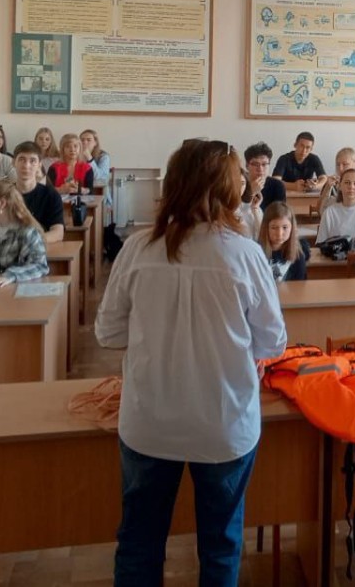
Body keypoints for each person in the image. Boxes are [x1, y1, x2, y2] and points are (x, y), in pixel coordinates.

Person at [95, 139, 286, 587]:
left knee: (139, 542)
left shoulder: (138, 247)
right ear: (227, 189)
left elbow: (108, 333)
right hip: (224, 423)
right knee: (220, 545)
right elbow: (272, 340)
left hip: (150, 420)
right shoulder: (244, 253)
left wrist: (158, 337)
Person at [13, 142, 66, 243]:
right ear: (13, 162)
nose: (26, 165)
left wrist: (29, 242)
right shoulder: (4, 194)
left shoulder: (51, 195)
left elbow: (58, 233)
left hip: (39, 247)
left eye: (32, 161)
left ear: (39, 165)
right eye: (22, 159)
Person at [258, 202, 310, 282]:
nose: (279, 234)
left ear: (292, 228)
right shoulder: (256, 252)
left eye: (285, 227)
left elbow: (300, 285)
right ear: (266, 228)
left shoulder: (298, 256)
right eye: (274, 228)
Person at [244, 142, 286, 211]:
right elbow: (235, 212)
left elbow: (280, 214)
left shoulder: (277, 186)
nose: (260, 169)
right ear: (247, 165)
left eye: (264, 164)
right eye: (255, 164)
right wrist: (251, 192)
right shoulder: (239, 183)